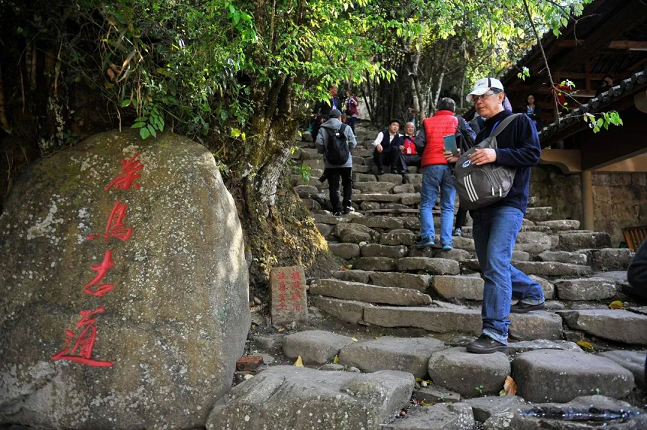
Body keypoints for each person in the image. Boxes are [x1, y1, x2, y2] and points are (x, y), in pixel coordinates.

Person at [451, 77, 544, 354]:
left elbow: (533, 153)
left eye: (483, 96)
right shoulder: (480, 132)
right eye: (475, 99)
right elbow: (477, 170)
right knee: (490, 265)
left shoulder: (519, 121)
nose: (478, 102)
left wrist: (496, 154)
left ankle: (495, 330)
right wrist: (459, 161)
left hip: (509, 203)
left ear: (500, 96)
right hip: (482, 206)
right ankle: (531, 292)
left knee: (495, 262)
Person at [415, 97, 461, 251]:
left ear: (437, 108)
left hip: (432, 164)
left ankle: (428, 236)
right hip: (452, 165)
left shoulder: (427, 122)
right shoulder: (456, 121)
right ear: (453, 109)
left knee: (427, 204)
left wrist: (425, 154)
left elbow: (419, 143)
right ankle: (447, 241)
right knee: (448, 206)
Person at [315, 109, 357, 216]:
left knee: (333, 186)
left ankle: (337, 209)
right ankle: (347, 206)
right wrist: (347, 153)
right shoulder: (346, 127)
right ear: (339, 117)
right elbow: (353, 143)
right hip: (346, 162)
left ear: (329, 118)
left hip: (330, 163)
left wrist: (324, 152)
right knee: (347, 183)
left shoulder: (323, 128)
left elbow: (319, 143)